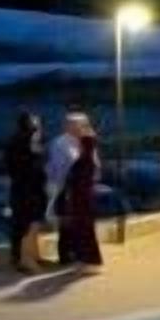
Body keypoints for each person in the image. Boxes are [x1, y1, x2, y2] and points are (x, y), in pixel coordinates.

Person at [54, 112, 103, 267]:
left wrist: (95, 177)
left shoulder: (86, 143)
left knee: (81, 222)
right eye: (81, 124)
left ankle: (78, 254)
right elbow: (60, 167)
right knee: (67, 222)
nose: (84, 128)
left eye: (85, 124)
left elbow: (95, 163)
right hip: (66, 188)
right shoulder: (60, 143)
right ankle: (66, 255)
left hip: (85, 188)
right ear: (70, 126)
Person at [1, 111, 46, 273]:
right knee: (26, 225)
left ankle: (31, 256)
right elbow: (29, 167)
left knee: (28, 224)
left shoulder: (23, 143)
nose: (38, 127)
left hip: (27, 189)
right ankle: (25, 259)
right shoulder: (24, 143)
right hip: (27, 190)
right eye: (35, 123)